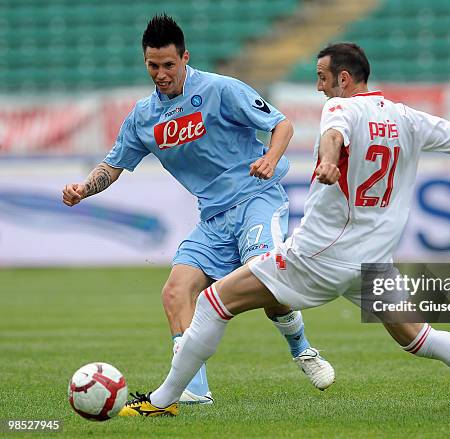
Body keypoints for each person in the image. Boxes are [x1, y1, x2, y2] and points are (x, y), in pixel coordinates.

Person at [118, 42, 450, 417]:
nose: (318, 85)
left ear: (345, 79)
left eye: (321, 75)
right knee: (419, 336)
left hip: (318, 256)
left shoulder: (340, 109)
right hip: (372, 262)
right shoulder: (409, 118)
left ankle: (162, 402)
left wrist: (330, 161)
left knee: (215, 301)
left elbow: (333, 134)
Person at [62, 14, 335, 404]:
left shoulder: (220, 89)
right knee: (175, 291)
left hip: (257, 197)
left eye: (168, 65)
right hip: (213, 218)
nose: (160, 74)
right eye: (152, 66)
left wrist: (271, 159)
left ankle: (302, 348)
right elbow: (114, 165)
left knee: (268, 283)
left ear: (185, 58)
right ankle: (194, 388)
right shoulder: (144, 117)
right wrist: (83, 189)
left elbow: (282, 125)